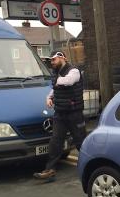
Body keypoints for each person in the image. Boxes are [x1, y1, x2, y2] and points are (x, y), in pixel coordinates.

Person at [34, 50, 86, 181]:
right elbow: (55, 87)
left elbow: (68, 81)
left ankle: (92, 166)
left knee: (81, 142)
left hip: (74, 113)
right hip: (60, 113)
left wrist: (57, 80)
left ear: (62, 58)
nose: (51, 63)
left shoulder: (73, 71)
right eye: (50, 60)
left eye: (53, 60)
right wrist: (49, 97)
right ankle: (49, 170)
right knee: (55, 142)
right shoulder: (57, 73)